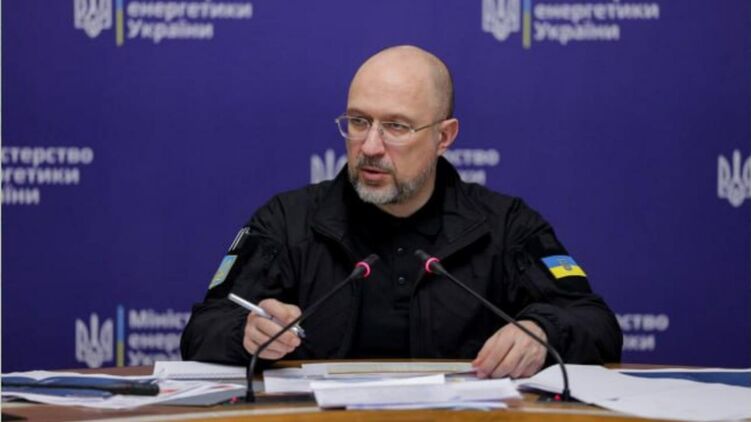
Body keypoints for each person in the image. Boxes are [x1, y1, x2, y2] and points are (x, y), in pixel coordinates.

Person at [181, 45, 622, 378]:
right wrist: (246, 332)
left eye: (396, 126)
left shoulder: (506, 226)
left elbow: (596, 324)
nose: (370, 146)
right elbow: (203, 328)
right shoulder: (286, 221)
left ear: (444, 136)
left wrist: (542, 332)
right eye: (359, 122)